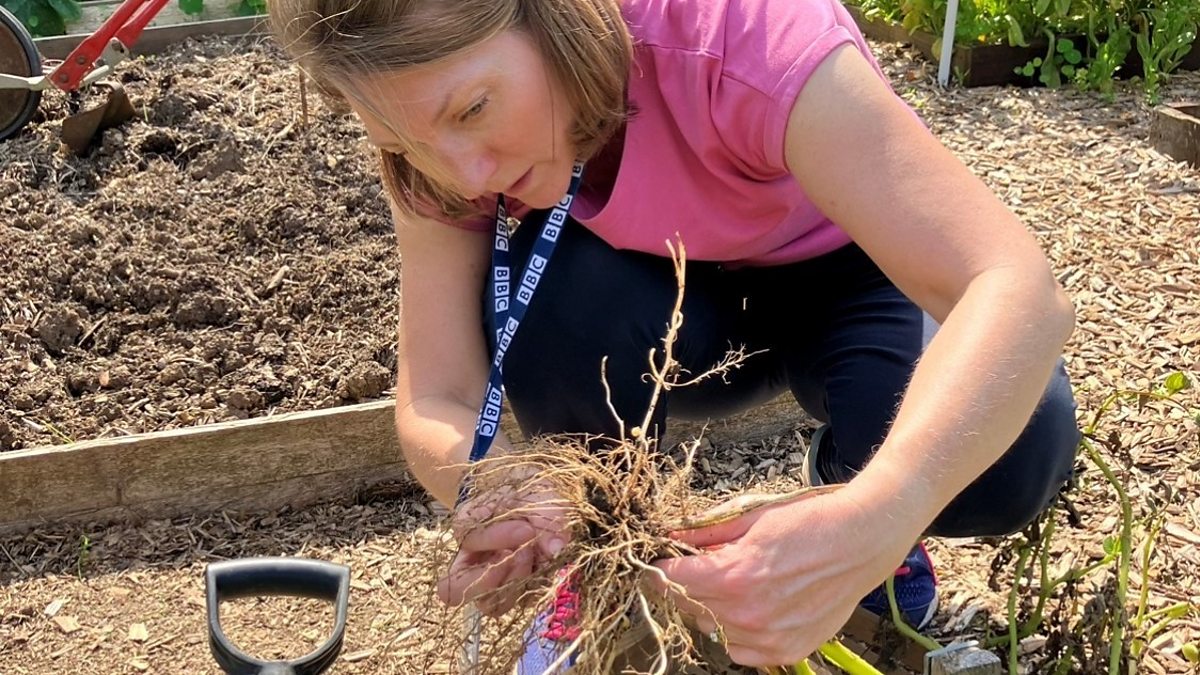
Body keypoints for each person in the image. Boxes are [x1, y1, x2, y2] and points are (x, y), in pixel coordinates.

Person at [268, 0, 1082, 670]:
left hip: (845, 274)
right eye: (403, 142)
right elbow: (437, 390)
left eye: (474, 108)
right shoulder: (439, 152)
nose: (465, 174)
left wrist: (881, 508)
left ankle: (846, 511)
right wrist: (497, 485)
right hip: (662, 302)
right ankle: (598, 547)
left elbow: (1015, 287)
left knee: (1004, 453)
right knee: (561, 298)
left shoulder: (739, 33)